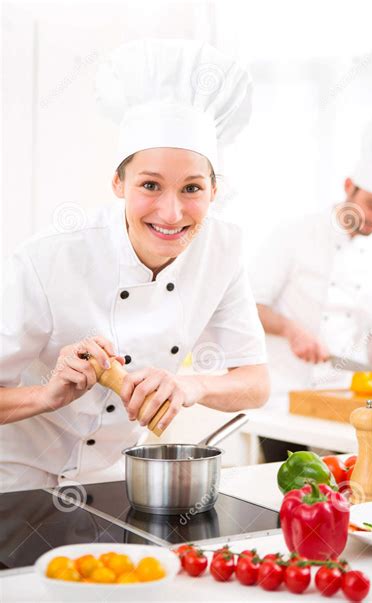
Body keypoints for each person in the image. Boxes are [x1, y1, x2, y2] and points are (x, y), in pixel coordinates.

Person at [0, 39, 269, 492]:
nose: (171, 213)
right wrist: (47, 396)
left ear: (214, 191)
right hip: (17, 482)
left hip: (117, 480)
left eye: (191, 188)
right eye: (150, 185)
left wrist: (191, 387)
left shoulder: (223, 249)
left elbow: (255, 382)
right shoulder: (47, 259)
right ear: (118, 183)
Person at [250, 115, 372, 461]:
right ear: (347, 185)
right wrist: (290, 329)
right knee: (286, 486)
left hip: (341, 401)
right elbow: (251, 306)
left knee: (346, 487)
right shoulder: (294, 234)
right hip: (284, 396)